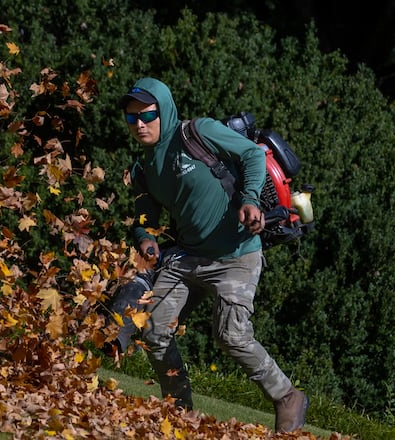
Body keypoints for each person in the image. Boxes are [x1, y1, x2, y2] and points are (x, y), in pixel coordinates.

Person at [113, 77, 309, 433]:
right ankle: (180, 411)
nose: (139, 124)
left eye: (147, 115)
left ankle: (287, 397)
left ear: (164, 109)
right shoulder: (144, 168)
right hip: (187, 258)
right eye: (131, 118)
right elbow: (145, 214)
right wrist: (145, 237)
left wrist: (250, 199)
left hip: (236, 254)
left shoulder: (197, 132)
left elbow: (252, 154)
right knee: (154, 329)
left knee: (231, 335)